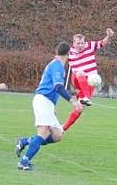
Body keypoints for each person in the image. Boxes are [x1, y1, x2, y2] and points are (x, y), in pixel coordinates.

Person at [14, 42, 78, 171]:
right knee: (43, 133)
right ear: (68, 54)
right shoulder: (57, 65)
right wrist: (71, 99)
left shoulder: (57, 65)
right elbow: (58, 87)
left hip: (47, 102)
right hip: (43, 100)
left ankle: (25, 141)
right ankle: (24, 162)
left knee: (57, 135)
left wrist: (53, 106)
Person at [61, 28, 114, 132]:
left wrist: (109, 36)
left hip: (89, 82)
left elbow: (102, 43)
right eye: (78, 43)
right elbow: (60, 59)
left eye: (82, 43)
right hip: (77, 79)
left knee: (80, 108)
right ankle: (86, 97)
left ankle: (63, 128)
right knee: (80, 72)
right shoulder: (69, 52)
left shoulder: (89, 46)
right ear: (74, 43)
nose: (80, 45)